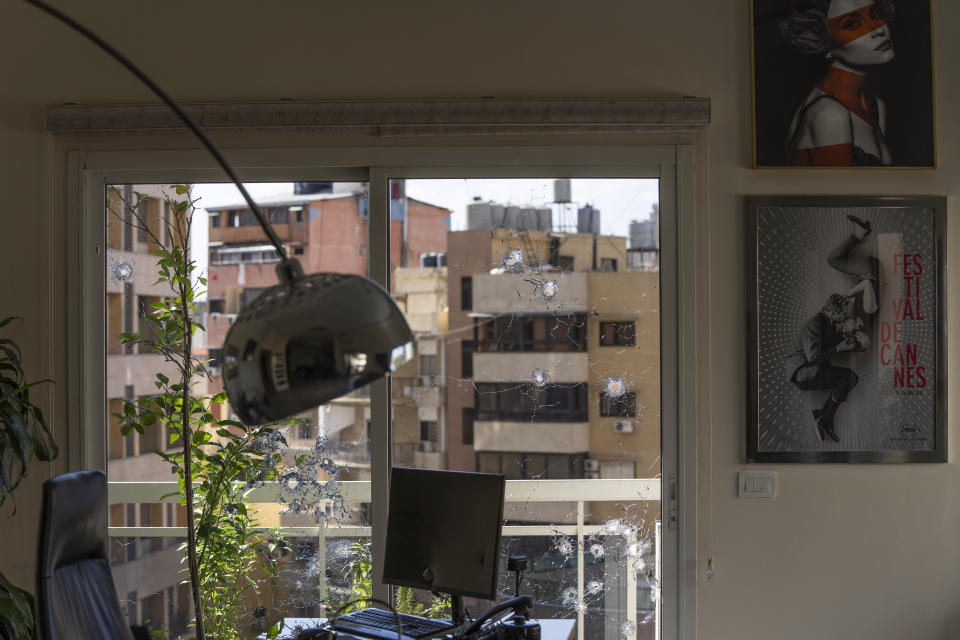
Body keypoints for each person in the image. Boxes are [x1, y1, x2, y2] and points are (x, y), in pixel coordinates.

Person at [780, 0, 896, 165]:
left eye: (875, 15)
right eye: (853, 24)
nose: (878, 29)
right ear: (820, 39)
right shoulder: (828, 115)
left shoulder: (876, 106)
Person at [785, 293, 867, 441]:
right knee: (850, 377)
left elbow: (842, 343)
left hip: (812, 369)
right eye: (843, 312)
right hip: (804, 372)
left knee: (849, 378)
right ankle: (824, 417)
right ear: (833, 311)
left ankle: (823, 416)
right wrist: (838, 349)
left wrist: (863, 345)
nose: (845, 316)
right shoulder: (815, 324)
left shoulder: (828, 323)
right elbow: (814, 357)